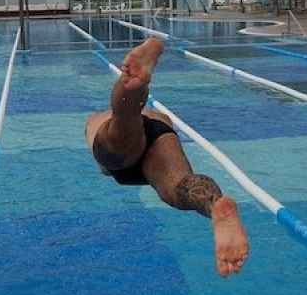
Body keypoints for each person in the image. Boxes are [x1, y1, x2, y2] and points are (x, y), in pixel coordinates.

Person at [85, 38, 250, 277]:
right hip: (159, 132)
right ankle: (214, 205)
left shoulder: (96, 119)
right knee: (180, 185)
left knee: (122, 128)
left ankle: (134, 87)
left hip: (122, 140)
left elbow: (110, 146)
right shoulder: (159, 114)